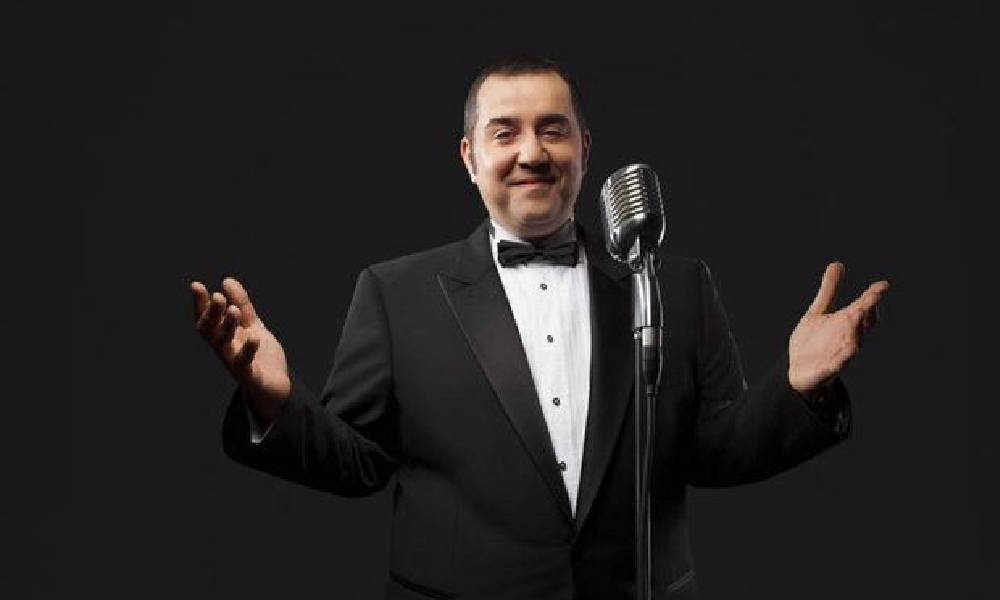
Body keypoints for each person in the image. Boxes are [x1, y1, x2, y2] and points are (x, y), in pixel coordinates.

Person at [190, 56, 888, 600]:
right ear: (469, 157)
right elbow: (358, 462)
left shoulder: (675, 285)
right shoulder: (395, 292)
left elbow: (715, 452)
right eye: (505, 132)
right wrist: (273, 401)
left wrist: (797, 388)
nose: (532, 152)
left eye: (553, 129)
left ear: (584, 147)